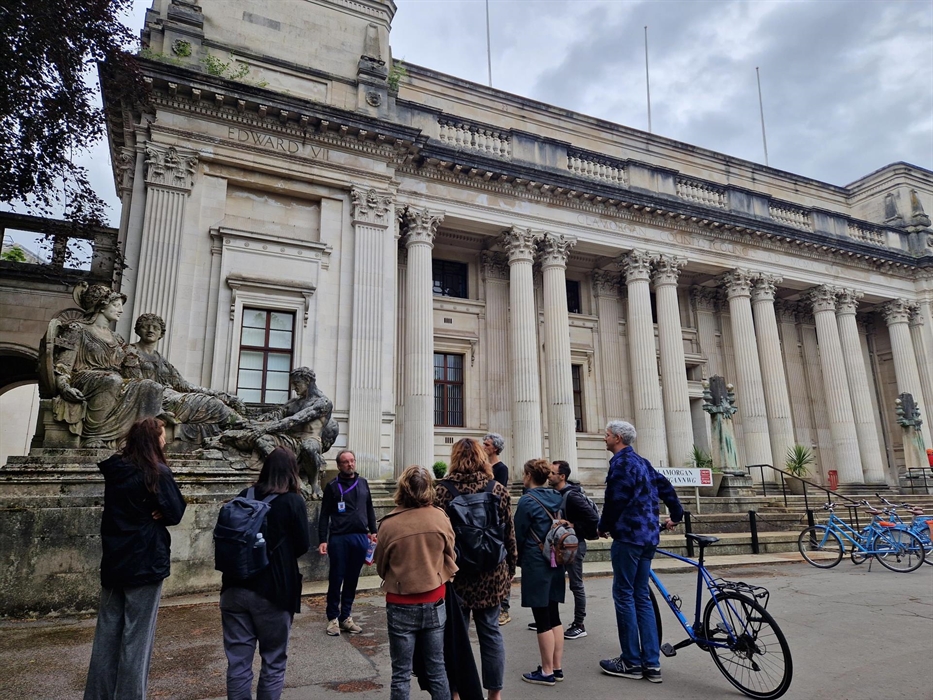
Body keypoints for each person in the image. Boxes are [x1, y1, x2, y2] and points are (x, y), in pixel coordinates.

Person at [84, 417, 187, 700]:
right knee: (137, 639)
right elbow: (176, 511)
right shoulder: (156, 472)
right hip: (145, 560)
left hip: (116, 558)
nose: (166, 441)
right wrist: (158, 512)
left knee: (107, 635)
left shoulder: (116, 469)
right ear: (154, 440)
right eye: (163, 435)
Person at [220, 447, 311, 700]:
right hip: (274, 590)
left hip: (234, 588)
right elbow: (302, 545)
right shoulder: (293, 501)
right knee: (273, 660)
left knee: (238, 662)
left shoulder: (244, 495)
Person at [598, 420, 683, 684]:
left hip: (629, 537)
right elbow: (666, 487)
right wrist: (676, 514)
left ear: (618, 438)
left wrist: (603, 526)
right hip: (648, 537)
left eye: (608, 434)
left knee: (624, 595)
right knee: (641, 597)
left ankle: (631, 661)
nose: (605, 437)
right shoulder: (642, 462)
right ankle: (651, 664)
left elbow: (616, 500)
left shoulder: (621, 464)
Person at [434, 438, 517, 700]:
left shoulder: (443, 491)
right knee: (491, 633)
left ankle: (456, 692)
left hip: (456, 574)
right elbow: (509, 535)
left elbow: (439, 538)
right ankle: (494, 693)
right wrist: (510, 569)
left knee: (455, 637)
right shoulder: (497, 489)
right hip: (492, 573)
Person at [40, 283, 163, 448]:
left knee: (151, 386)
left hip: (112, 380)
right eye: (116, 305)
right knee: (112, 380)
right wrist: (63, 385)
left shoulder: (117, 339)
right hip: (84, 377)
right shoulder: (77, 329)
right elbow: (63, 363)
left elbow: (131, 370)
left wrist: (153, 396)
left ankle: (139, 438)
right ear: (101, 306)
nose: (121, 310)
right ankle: (94, 435)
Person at [376, 465, 458, 700]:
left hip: (400, 600)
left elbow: (382, 568)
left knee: (401, 672)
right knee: (436, 668)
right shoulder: (440, 518)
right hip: (434, 597)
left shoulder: (389, 524)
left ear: (402, 488)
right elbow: (450, 554)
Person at [219, 367, 338, 498]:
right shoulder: (294, 403)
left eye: (296, 383)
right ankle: (292, 477)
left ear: (307, 380)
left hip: (310, 439)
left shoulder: (323, 402)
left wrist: (265, 428)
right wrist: (249, 423)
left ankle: (314, 484)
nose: (294, 388)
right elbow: (275, 415)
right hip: (290, 439)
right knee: (262, 440)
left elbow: (295, 420)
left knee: (308, 447)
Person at [130, 313, 247, 443]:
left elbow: (183, 385)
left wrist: (222, 395)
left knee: (215, 403)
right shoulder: (131, 352)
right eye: (146, 326)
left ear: (161, 333)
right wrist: (159, 411)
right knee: (213, 405)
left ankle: (243, 427)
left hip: (172, 399)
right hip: (160, 402)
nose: (151, 330)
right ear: (138, 330)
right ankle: (245, 430)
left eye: (155, 328)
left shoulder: (161, 360)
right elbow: (139, 387)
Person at [513, 459, 567, 687]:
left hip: (537, 562)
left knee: (541, 618)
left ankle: (546, 672)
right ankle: (556, 667)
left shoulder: (527, 501)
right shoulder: (557, 496)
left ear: (527, 475)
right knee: (554, 614)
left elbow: (518, 533)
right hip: (558, 559)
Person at [318, 449, 377, 635]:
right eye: (345, 462)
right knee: (336, 578)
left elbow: (369, 508)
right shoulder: (332, 486)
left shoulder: (363, 483)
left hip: (360, 537)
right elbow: (324, 514)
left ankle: (346, 616)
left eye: (352, 460)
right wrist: (322, 539)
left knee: (352, 579)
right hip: (339, 538)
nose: (350, 464)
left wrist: (374, 531)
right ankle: (333, 618)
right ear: (339, 465)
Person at [546, 460, 599, 640]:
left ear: (562, 476)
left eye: (552, 473)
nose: (549, 475)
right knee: (554, 580)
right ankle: (551, 619)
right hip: (560, 545)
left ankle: (579, 624)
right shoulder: (556, 493)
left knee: (576, 584)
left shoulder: (572, 496)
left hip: (574, 545)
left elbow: (593, 519)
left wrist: (573, 525)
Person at [482, 432, 512, 626]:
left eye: (486, 444)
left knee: (502, 561)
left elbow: (498, 493)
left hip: (495, 520)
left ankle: (504, 607)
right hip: (482, 520)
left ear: (495, 448)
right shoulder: (481, 466)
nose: (483, 446)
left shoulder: (501, 468)